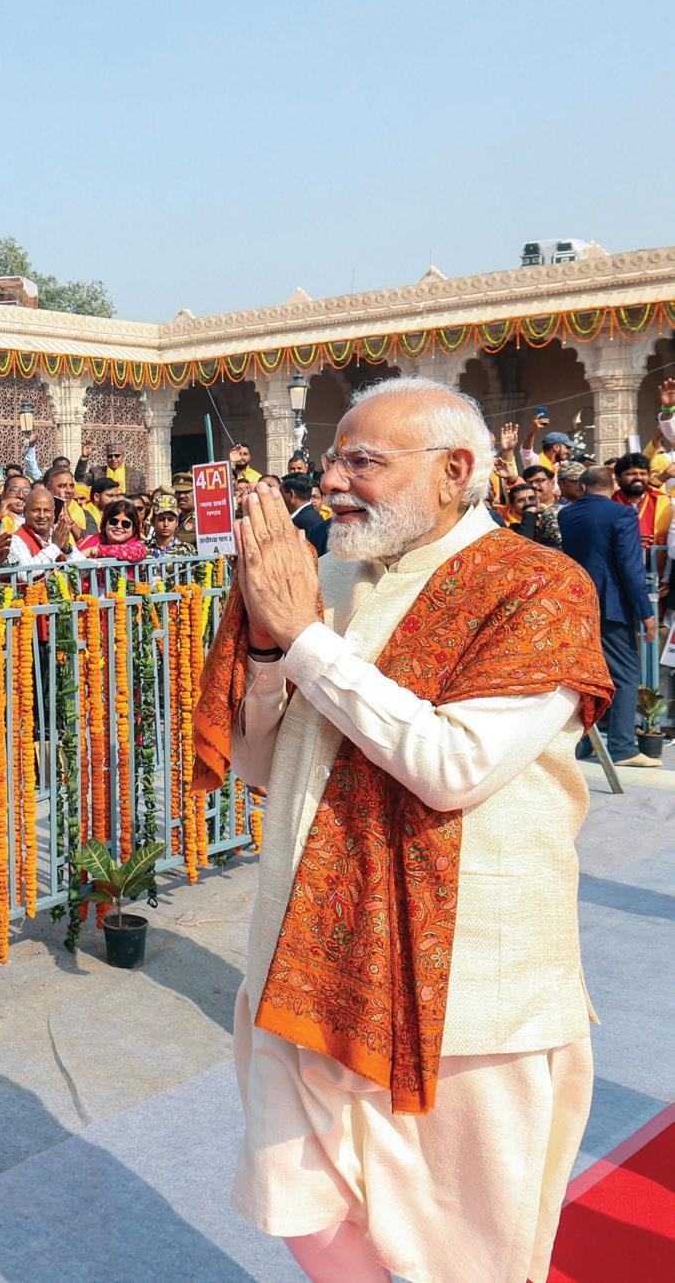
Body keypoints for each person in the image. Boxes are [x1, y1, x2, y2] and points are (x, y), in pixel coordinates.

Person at [197, 376, 611, 1283]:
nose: (331, 480)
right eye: (330, 459)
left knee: (462, 1256)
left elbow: (450, 766)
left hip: (465, 989)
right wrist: (268, 651)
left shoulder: (538, 586)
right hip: (304, 959)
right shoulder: (324, 581)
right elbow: (262, 767)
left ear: (452, 470)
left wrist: (303, 637)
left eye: (362, 461)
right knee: (295, 1201)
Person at [559, 462, 659, 766]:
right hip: (612, 606)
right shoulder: (622, 513)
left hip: (578, 604)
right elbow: (630, 567)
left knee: (585, 676)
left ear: (582, 487)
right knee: (627, 674)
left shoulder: (567, 514)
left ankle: (582, 745)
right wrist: (646, 613)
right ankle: (623, 747)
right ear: (613, 486)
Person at [612, 451, 671, 551]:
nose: (638, 478)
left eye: (643, 474)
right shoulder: (609, 502)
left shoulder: (663, 501)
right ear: (618, 478)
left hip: (659, 564)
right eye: (631, 474)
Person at [74, 499, 148, 562]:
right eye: (113, 522)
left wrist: (95, 551)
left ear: (134, 529)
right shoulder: (86, 541)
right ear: (105, 523)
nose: (119, 526)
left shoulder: (138, 547)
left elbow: (134, 552)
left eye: (126, 524)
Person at [279, 472, 329, 556]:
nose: (279, 498)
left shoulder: (309, 522)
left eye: (281, 494)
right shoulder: (305, 517)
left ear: (291, 494)